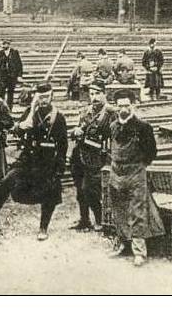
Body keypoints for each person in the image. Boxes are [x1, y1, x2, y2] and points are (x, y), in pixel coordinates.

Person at [0, 82, 68, 242]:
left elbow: (63, 145)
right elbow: (18, 130)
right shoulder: (31, 112)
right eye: (40, 97)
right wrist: (30, 112)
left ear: (51, 96)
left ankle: (43, 227)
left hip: (47, 162)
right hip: (28, 159)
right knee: (5, 183)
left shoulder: (58, 117)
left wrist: (59, 167)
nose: (43, 100)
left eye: (46, 97)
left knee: (50, 192)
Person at [107, 89, 164, 267]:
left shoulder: (143, 127)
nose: (123, 109)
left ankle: (139, 251)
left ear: (133, 105)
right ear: (116, 107)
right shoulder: (113, 127)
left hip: (135, 173)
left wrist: (140, 166)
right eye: (120, 106)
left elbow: (151, 152)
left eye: (127, 105)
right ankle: (123, 244)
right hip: (116, 172)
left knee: (137, 210)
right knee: (119, 208)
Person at [69, 81, 114, 231]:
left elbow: (113, 137)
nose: (94, 97)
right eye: (91, 93)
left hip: (96, 157)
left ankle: (100, 220)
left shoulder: (110, 113)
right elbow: (76, 130)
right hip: (80, 155)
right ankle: (84, 220)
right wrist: (75, 131)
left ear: (104, 94)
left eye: (97, 93)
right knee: (80, 190)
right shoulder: (85, 111)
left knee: (90, 189)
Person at [0, 39, 23, 111]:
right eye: (3, 44)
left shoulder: (15, 53)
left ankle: (9, 109)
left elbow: (19, 64)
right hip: (2, 77)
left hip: (12, 77)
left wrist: (19, 75)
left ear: (9, 44)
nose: (4, 45)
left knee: (10, 94)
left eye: (6, 44)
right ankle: (1, 109)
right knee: (1, 94)